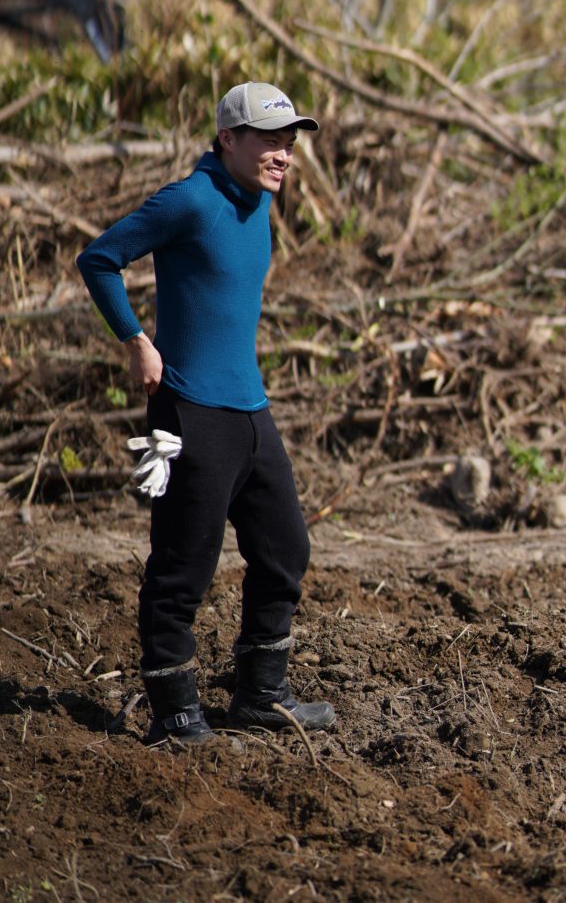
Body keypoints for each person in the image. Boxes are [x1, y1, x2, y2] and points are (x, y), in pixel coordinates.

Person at [76, 81, 336, 746]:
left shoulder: (260, 202)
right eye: (271, 139)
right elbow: (99, 258)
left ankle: (261, 694)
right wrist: (136, 340)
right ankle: (174, 711)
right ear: (228, 138)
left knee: (286, 549)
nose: (284, 153)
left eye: (290, 141)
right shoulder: (190, 198)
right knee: (181, 564)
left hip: (250, 410)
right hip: (183, 409)